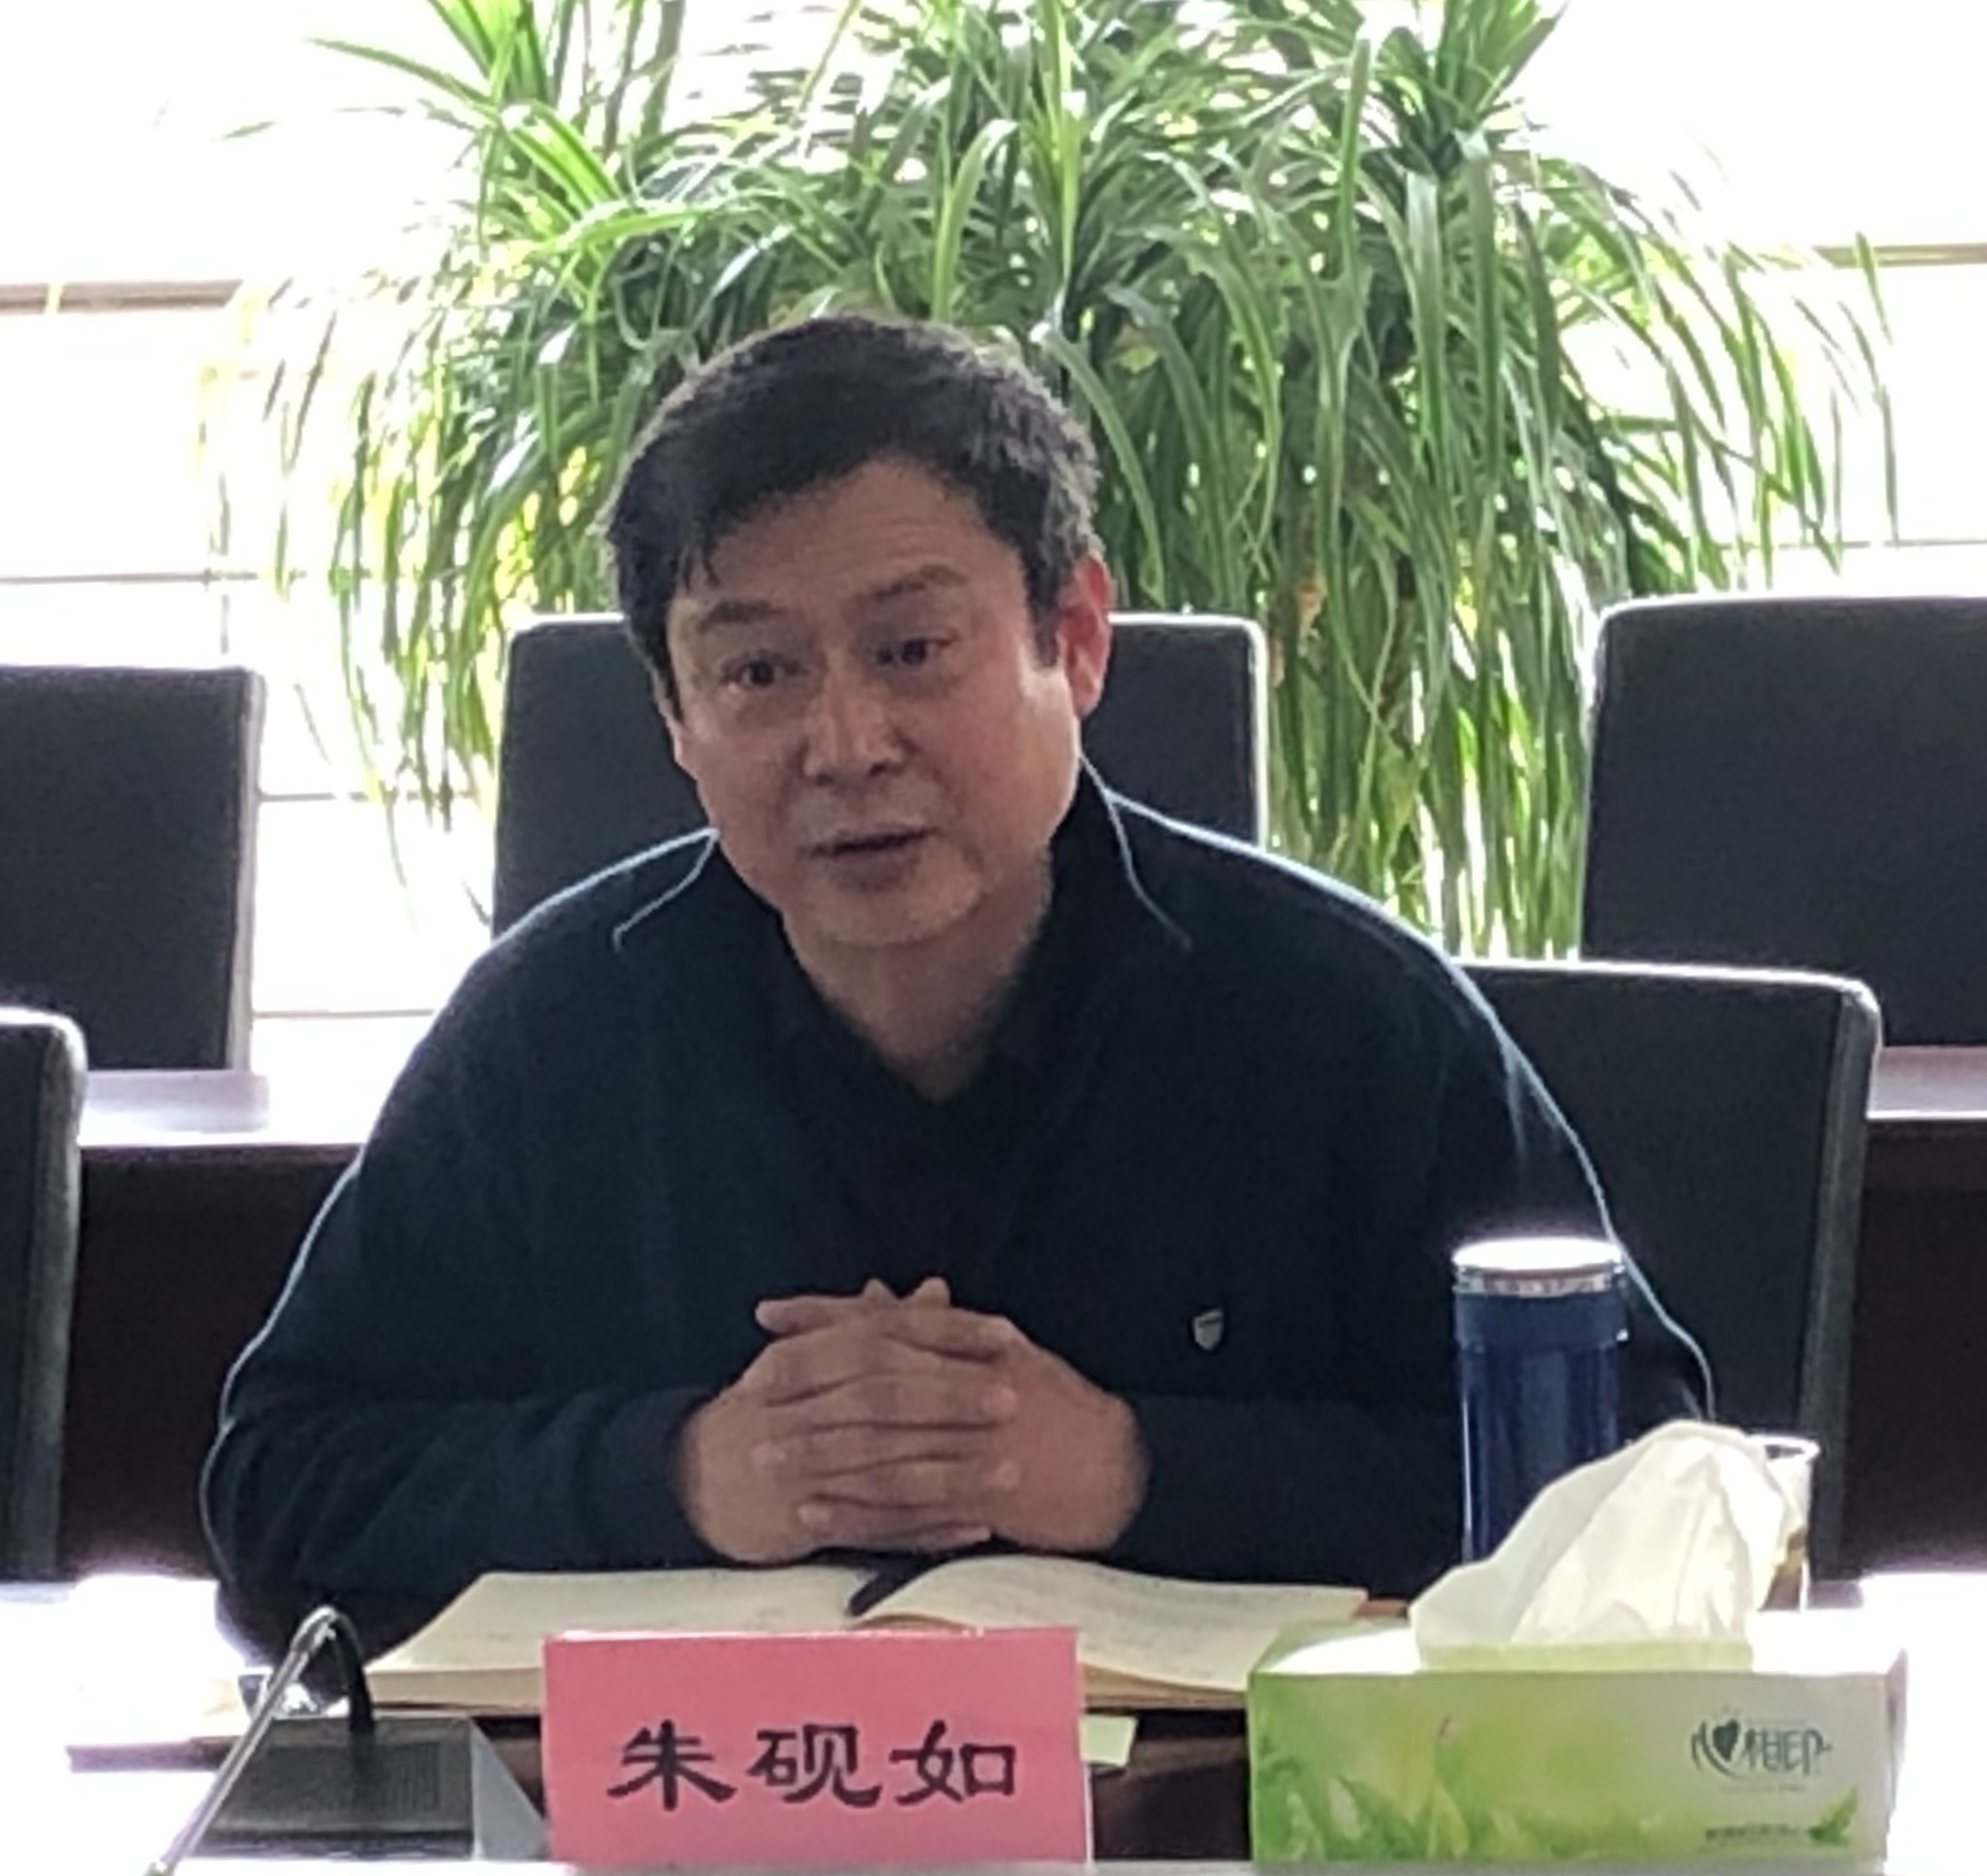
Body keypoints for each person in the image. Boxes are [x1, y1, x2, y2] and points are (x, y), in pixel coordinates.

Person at [204, 314, 1705, 1611]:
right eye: (758, 671)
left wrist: (1132, 1469)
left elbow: (1638, 1476)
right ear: (673, 715)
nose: (847, 743)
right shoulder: (553, 1034)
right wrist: (686, 1472)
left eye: (913, 649)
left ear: (1077, 637)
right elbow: (280, 1476)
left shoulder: (1342, 1018)